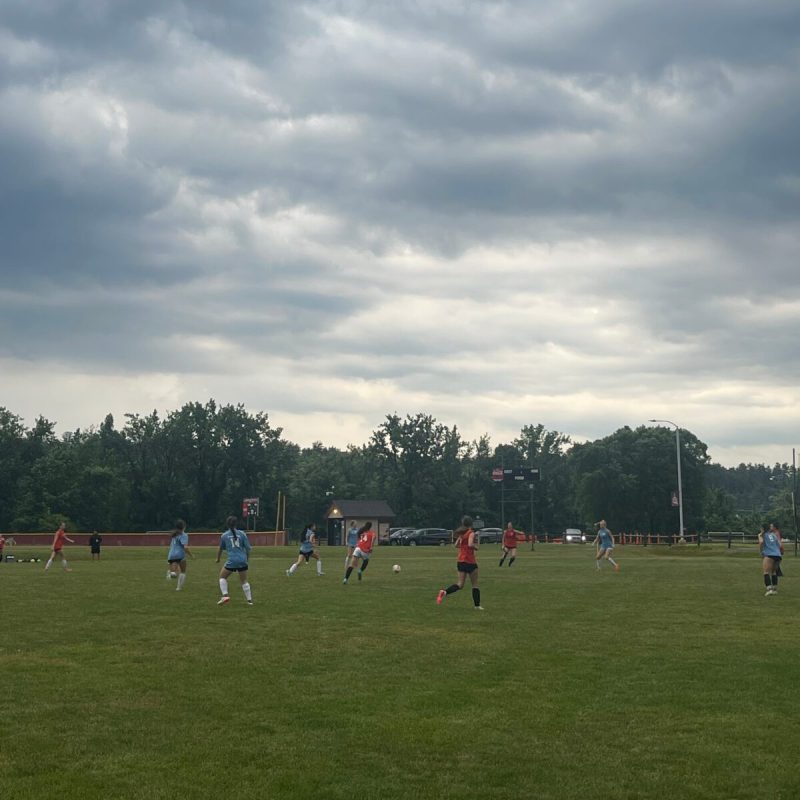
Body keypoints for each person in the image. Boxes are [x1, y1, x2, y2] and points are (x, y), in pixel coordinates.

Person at [436, 516, 483, 610]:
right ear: (471, 524)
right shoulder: (471, 533)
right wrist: (476, 546)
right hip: (470, 561)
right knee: (475, 585)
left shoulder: (462, 534)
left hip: (461, 560)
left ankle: (444, 592)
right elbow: (470, 544)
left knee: (460, 584)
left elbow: (456, 545)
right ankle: (477, 606)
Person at [216, 516, 253, 605]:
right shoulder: (242, 534)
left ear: (227, 524)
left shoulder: (224, 535)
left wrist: (218, 559)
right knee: (244, 581)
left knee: (222, 577)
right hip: (242, 560)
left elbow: (220, 549)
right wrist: (246, 559)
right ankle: (249, 601)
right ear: (236, 524)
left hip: (232, 560)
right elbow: (248, 549)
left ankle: (225, 596)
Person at [166, 519, 193, 591]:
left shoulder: (174, 534)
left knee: (174, 573)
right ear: (184, 526)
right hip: (180, 555)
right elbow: (185, 547)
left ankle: (171, 573)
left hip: (171, 555)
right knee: (183, 571)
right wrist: (191, 555)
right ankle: (178, 588)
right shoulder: (184, 535)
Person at [759, 522, 783, 596]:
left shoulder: (761, 534)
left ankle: (769, 590)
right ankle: (775, 589)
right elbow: (779, 545)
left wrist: (761, 551)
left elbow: (761, 542)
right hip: (778, 555)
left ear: (762, 528)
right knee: (774, 572)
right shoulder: (773, 534)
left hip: (769, 554)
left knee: (766, 572)